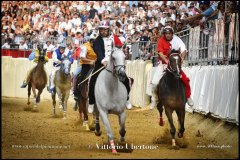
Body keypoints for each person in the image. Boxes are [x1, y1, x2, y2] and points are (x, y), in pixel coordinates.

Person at [88, 20, 133, 113]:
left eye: (105, 30)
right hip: (102, 63)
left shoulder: (114, 37)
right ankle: (91, 102)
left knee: (125, 78)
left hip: (114, 62)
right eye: (101, 30)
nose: (103, 32)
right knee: (92, 80)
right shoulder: (97, 40)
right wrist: (103, 61)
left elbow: (119, 46)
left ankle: (126, 99)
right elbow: (98, 51)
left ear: (108, 30)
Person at [150, 26, 194, 110]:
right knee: (155, 83)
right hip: (163, 64)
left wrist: (182, 59)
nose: (168, 35)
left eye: (169, 33)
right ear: (164, 34)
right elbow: (160, 54)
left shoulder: (177, 39)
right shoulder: (160, 40)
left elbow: (184, 50)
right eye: (166, 33)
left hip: (175, 64)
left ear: (172, 33)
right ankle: (154, 99)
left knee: (185, 80)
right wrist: (167, 62)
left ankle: (188, 97)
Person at [72, 32, 98, 110]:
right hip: (85, 65)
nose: (95, 43)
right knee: (76, 74)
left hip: (95, 65)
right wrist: (91, 61)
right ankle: (75, 92)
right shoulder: (85, 47)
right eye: (93, 41)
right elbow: (82, 58)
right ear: (90, 41)